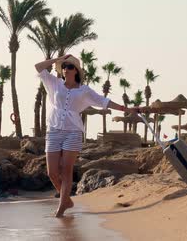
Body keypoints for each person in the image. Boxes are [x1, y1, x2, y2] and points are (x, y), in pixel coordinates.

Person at [35, 54, 142, 217]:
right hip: (54, 130)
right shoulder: (55, 83)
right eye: (64, 67)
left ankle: (61, 208)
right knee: (52, 172)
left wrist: (126, 109)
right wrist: (58, 59)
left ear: (76, 71)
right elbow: (38, 67)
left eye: (70, 67)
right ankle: (66, 200)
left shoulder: (84, 91)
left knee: (66, 170)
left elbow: (104, 101)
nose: (66, 69)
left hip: (73, 131)